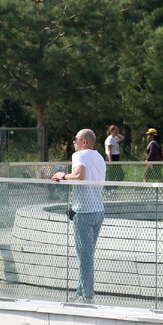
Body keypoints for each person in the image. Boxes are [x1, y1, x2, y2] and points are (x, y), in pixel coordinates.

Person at [53, 129, 106, 303]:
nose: (73, 143)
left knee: (84, 256)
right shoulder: (99, 157)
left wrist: (62, 176)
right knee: (87, 254)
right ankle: (80, 291)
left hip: (83, 212)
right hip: (98, 210)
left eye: (75, 140)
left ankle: (87, 295)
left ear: (84, 142)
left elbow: (79, 175)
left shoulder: (80, 155)